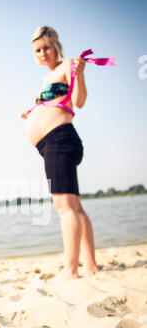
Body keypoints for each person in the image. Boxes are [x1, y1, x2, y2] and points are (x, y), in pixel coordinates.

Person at [22, 26, 100, 281]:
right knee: (75, 206)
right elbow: (56, 101)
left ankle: (71, 269)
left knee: (65, 208)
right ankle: (90, 264)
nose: (43, 52)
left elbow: (78, 101)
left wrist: (80, 75)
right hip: (54, 142)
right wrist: (33, 112)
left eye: (46, 46)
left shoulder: (68, 65)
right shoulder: (48, 77)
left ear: (56, 45)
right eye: (37, 49)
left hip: (59, 139)